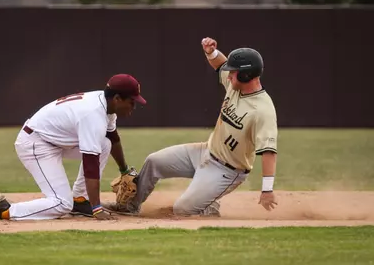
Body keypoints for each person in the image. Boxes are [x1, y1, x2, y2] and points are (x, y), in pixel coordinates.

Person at [103, 37, 278, 217]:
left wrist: (267, 190)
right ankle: (130, 207)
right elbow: (220, 64)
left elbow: (269, 152)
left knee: (182, 210)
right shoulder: (235, 86)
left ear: (245, 75)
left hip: (228, 170)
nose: (228, 74)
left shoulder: (262, 110)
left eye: (232, 71)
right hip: (205, 151)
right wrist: (211, 52)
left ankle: (209, 206)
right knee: (153, 161)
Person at [0, 73, 147, 221]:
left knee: (104, 143)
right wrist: (97, 208)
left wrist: (124, 170)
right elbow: (90, 163)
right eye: (132, 101)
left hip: (53, 140)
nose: (134, 106)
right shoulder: (92, 114)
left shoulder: (106, 105)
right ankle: (5, 210)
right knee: (61, 204)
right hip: (35, 144)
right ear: (117, 98)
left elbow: (113, 138)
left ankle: (80, 200)